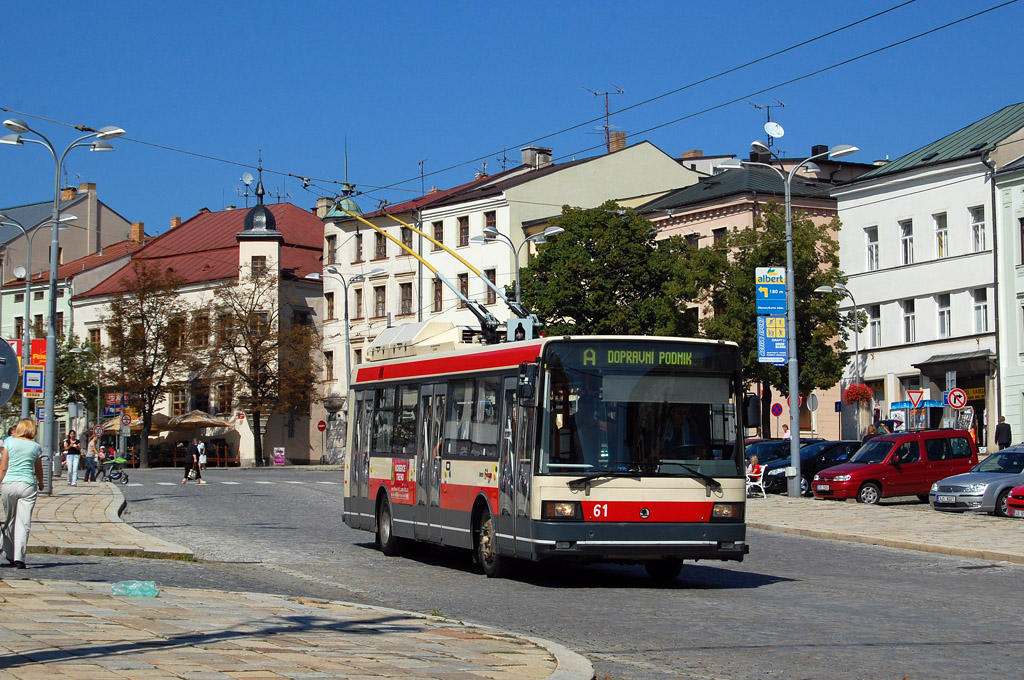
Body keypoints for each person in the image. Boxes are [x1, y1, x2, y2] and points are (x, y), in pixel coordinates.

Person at [0, 418, 45, 569]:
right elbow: (38, 468)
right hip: (27, 485)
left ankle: (10, 554)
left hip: (9, 484)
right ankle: (20, 558)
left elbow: (3, 467)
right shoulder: (35, 447)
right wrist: (41, 482)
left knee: (9, 520)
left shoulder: (9, 443)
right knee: (24, 522)